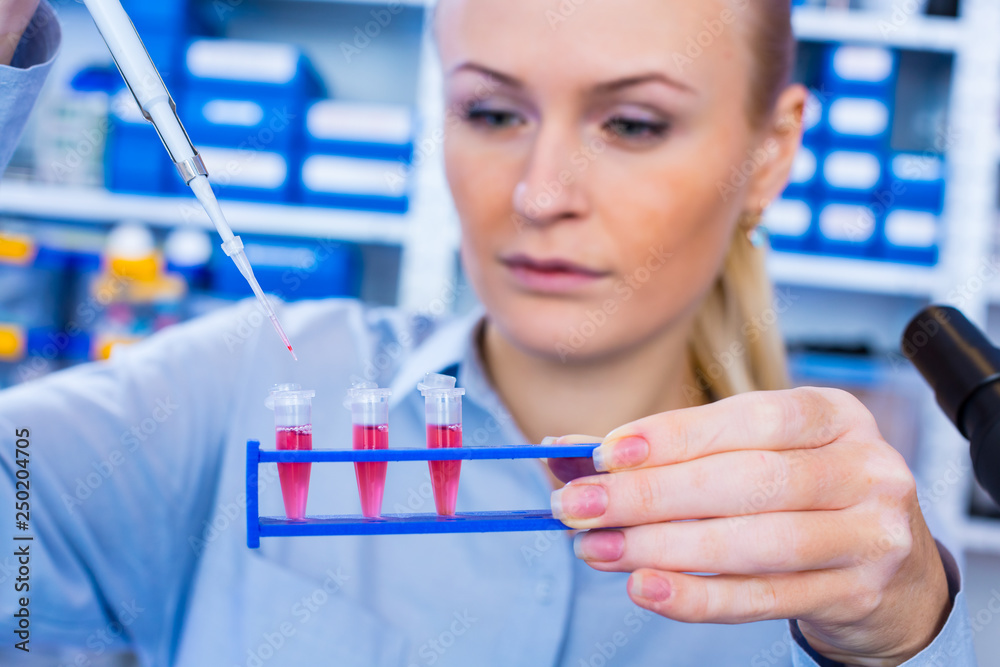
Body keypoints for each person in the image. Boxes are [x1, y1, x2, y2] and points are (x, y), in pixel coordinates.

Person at [0, 0, 977, 665]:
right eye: (492, 110)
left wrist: (905, 636)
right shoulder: (240, 387)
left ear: (770, 153)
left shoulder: (834, 559)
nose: (538, 193)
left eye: (632, 123)